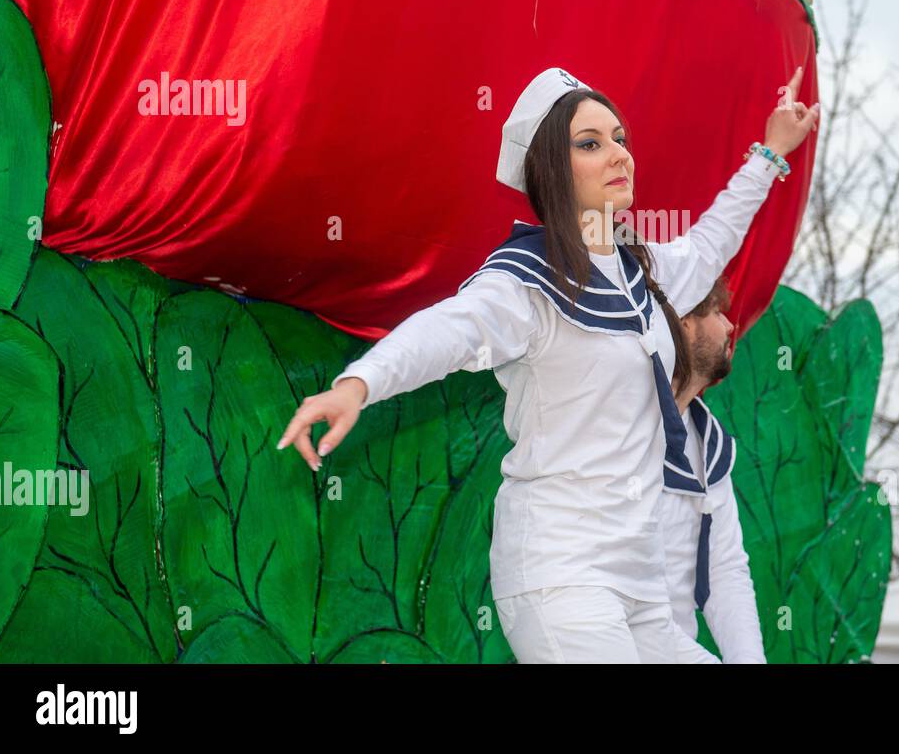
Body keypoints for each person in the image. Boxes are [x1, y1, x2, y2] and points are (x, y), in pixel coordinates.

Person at [277, 65, 817, 662]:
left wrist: (771, 152)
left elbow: (715, 238)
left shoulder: (647, 274)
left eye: (619, 139)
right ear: (554, 172)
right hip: (561, 576)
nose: (618, 154)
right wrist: (360, 383)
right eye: (590, 143)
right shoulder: (526, 284)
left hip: (641, 587)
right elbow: (449, 330)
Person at [657, 277, 767, 664]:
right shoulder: (617, 431)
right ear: (685, 322)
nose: (730, 326)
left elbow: (725, 571)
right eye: (717, 312)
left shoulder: (708, 446)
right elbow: (612, 590)